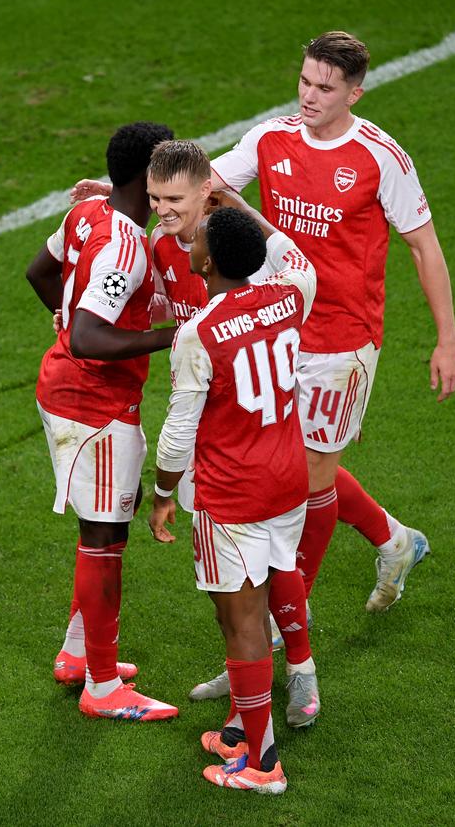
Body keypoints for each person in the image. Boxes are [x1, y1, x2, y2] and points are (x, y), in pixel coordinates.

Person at [208, 30, 455, 612]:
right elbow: (204, 187)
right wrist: (127, 193)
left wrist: (447, 340)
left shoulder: (380, 157)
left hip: (343, 342)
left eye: (325, 88)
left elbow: (424, 246)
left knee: (309, 480)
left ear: (355, 94)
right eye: (304, 81)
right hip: (275, 329)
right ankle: (394, 540)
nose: (309, 96)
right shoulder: (270, 138)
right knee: (287, 465)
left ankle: (287, 617)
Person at [145, 142, 319, 727]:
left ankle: (256, 740)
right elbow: (298, 260)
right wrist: (245, 211)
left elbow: (177, 431)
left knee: (240, 616)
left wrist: (162, 492)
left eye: (176, 201)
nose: (170, 216)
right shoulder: (290, 293)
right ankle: (268, 686)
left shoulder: (201, 330)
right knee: (273, 573)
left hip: (231, 481)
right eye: (156, 198)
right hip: (285, 469)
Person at [26, 121, 179, 721]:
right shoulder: (125, 247)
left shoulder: (86, 212)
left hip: (67, 389)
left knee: (105, 526)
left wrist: (65, 322)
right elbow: (90, 337)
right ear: (148, 176)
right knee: (104, 537)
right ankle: (102, 685)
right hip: (94, 404)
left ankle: (77, 655)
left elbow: (39, 272)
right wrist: (174, 336)